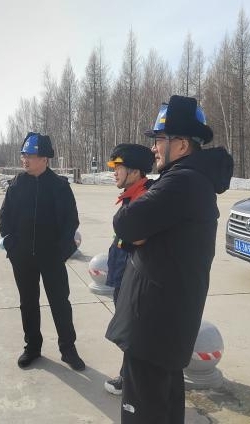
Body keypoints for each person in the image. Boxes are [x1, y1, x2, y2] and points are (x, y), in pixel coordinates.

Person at [105, 95, 234, 423]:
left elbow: (125, 224)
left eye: (160, 139)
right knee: (164, 408)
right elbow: (134, 232)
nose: (154, 148)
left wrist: (136, 231)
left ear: (182, 144)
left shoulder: (182, 182)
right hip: (165, 326)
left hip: (154, 328)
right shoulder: (187, 180)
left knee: (145, 412)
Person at [0, 132, 85, 371]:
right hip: (23, 258)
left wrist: (61, 252)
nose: (25, 160)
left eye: (30, 155)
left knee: (60, 303)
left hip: (52, 257)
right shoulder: (16, 185)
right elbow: (4, 219)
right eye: (23, 155)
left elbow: (71, 222)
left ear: (44, 159)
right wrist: (12, 246)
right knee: (28, 303)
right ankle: (32, 347)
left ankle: (68, 349)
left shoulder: (59, 186)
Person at [103, 143, 155, 396]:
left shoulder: (145, 199)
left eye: (118, 167)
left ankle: (130, 380)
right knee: (130, 330)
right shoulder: (132, 195)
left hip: (134, 279)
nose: (114, 172)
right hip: (123, 276)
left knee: (134, 332)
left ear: (134, 171)